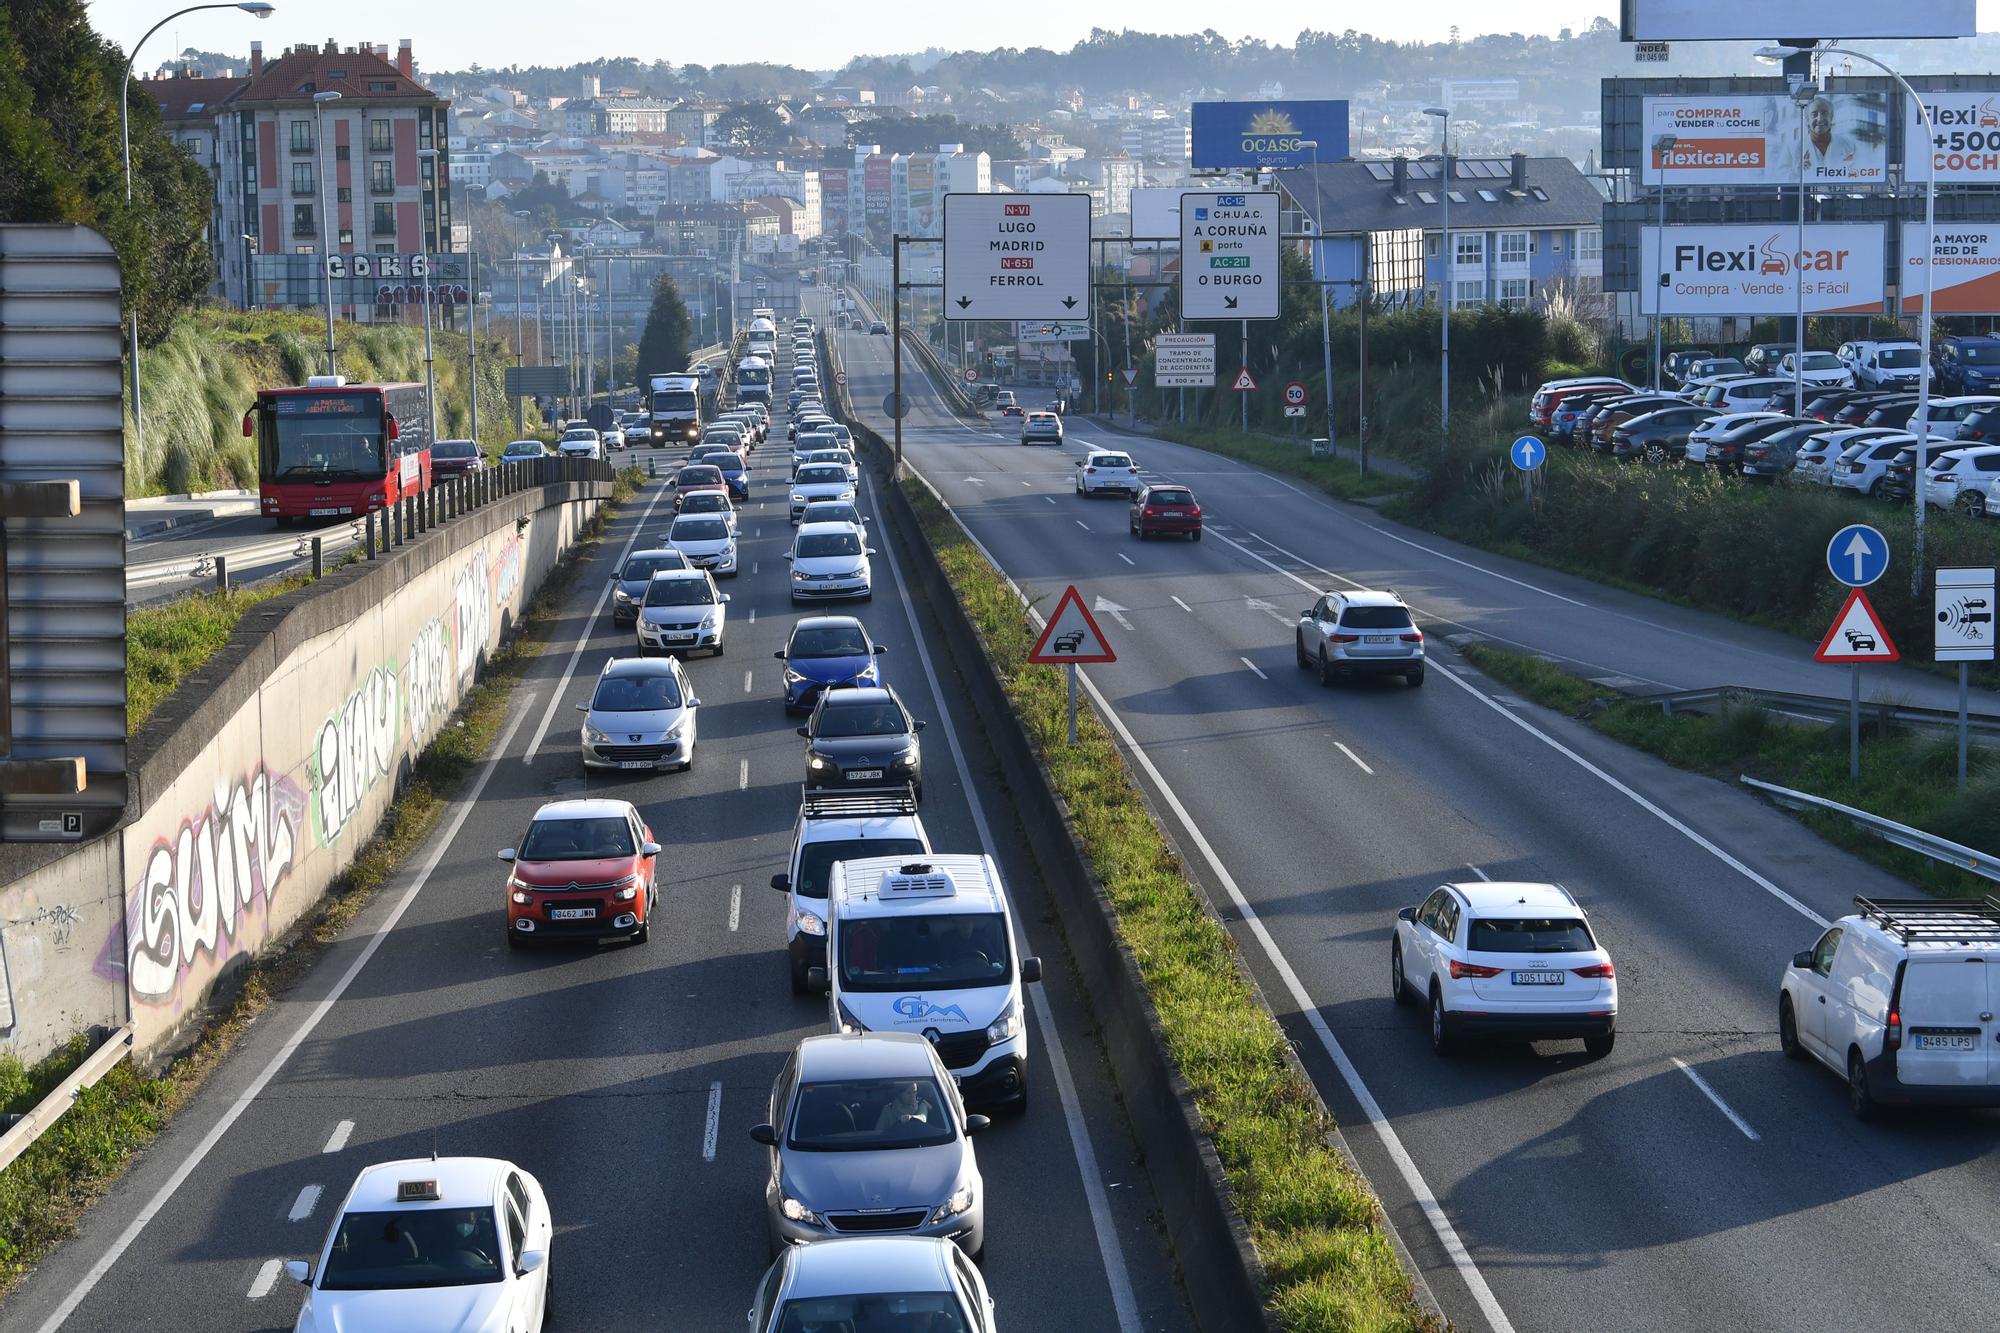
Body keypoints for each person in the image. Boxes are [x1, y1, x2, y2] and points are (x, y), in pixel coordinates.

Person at [1802, 96, 1863, 179]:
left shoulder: (1850, 146)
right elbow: (1782, 174)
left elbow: (1859, 172)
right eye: (1814, 114)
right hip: (1806, 190)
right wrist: (1798, 171)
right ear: (1807, 120)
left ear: (1831, 118)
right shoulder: (1792, 149)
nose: (1819, 119)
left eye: (1824, 113)